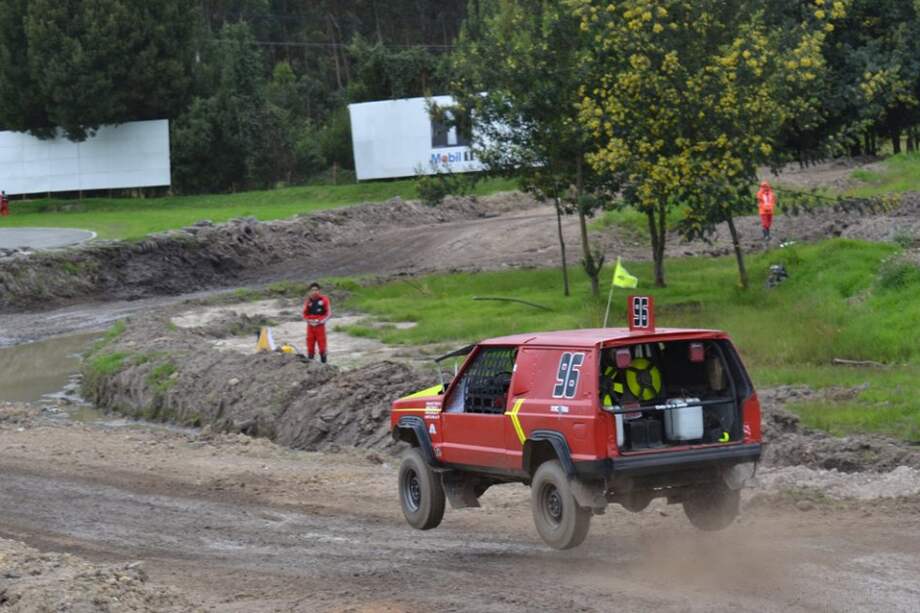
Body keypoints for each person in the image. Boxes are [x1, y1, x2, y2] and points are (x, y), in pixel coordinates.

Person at [302, 282, 332, 363]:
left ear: (319, 291)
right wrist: (309, 321)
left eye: (316, 290)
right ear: (310, 291)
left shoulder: (324, 299)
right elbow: (304, 314)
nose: (314, 292)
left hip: (320, 326)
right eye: (312, 290)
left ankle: (324, 364)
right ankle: (311, 364)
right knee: (310, 345)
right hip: (310, 326)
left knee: (322, 345)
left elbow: (329, 313)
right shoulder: (308, 301)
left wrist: (320, 321)